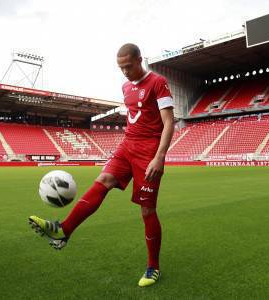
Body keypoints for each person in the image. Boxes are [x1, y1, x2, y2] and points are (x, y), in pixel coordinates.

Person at [29, 43, 175, 287]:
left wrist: (159, 156)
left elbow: (169, 122)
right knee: (103, 180)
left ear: (140, 60)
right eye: (121, 68)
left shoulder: (158, 82)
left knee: (147, 210)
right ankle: (64, 229)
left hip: (149, 150)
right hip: (127, 145)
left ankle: (153, 267)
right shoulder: (125, 87)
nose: (125, 72)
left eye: (128, 66)